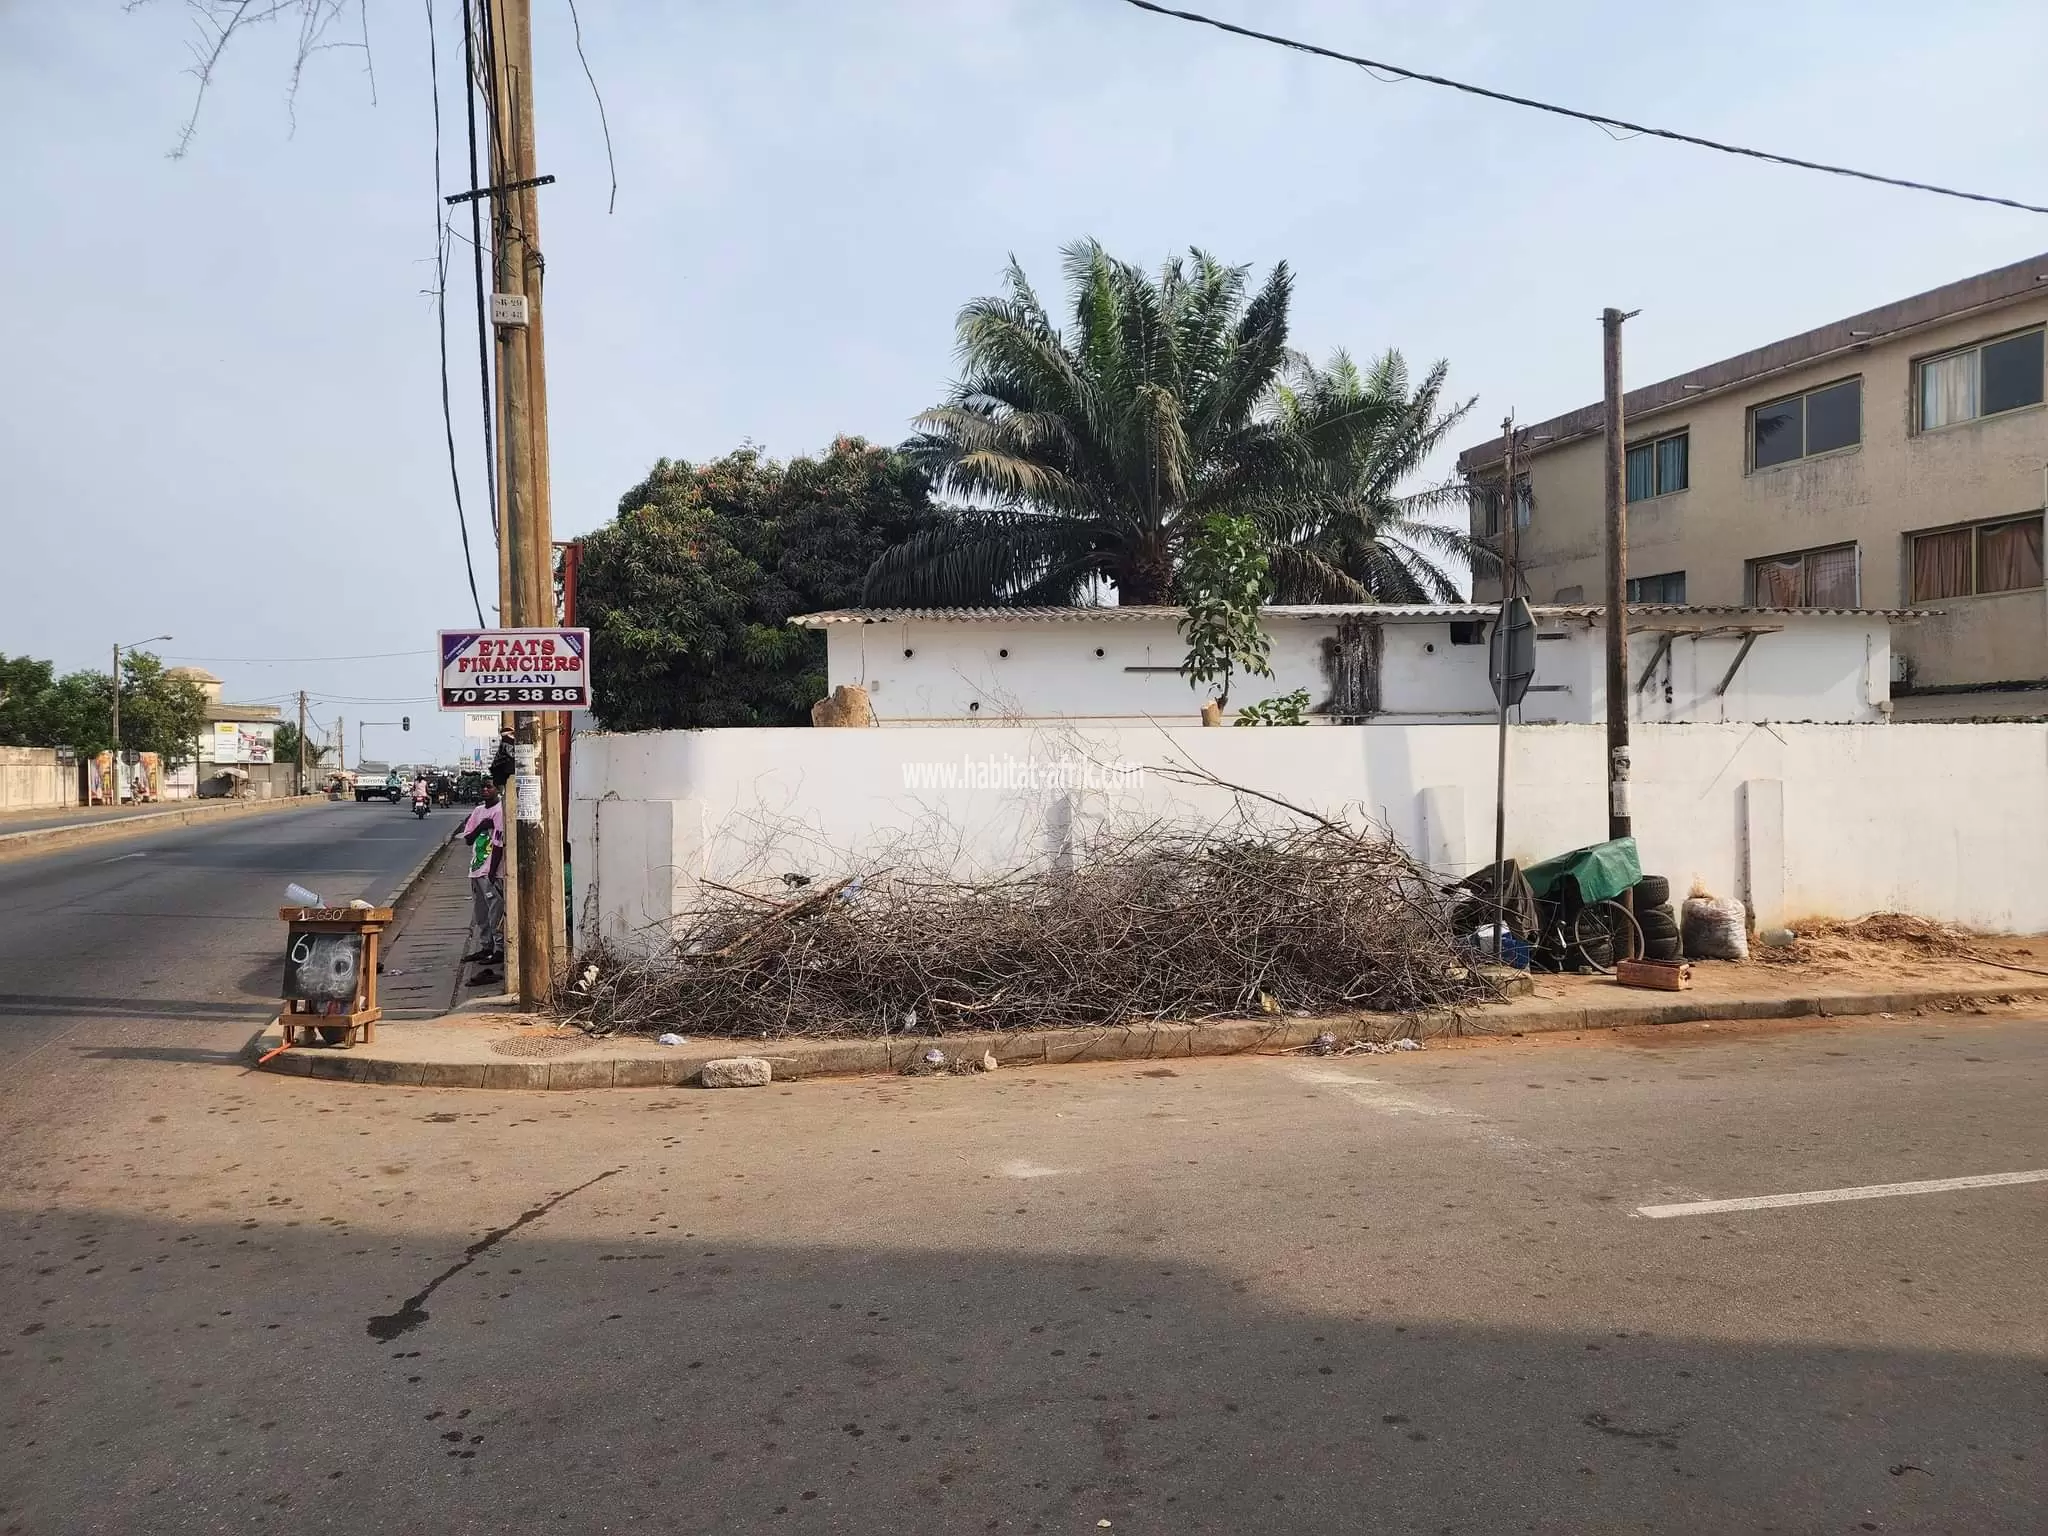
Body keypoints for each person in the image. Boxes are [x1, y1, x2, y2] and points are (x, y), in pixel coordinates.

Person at [459, 780, 506, 984]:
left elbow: (498, 844)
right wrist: (481, 826)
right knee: (480, 913)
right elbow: (468, 837)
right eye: (483, 787)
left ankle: (499, 948)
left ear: (498, 789)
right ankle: (485, 946)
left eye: (490, 787)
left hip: (490, 870)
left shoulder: (500, 811)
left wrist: (494, 871)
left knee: (495, 910)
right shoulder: (478, 811)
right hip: (475, 870)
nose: (486, 790)